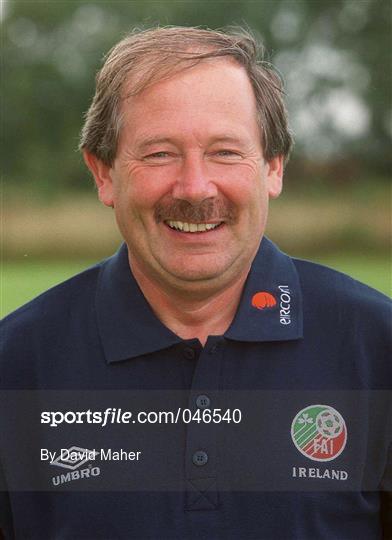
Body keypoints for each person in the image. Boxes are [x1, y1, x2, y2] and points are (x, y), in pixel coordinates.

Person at [0, 26, 390, 540]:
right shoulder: (16, 363)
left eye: (226, 152)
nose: (194, 187)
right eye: (159, 153)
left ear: (273, 168)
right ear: (104, 173)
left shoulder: (377, 345)